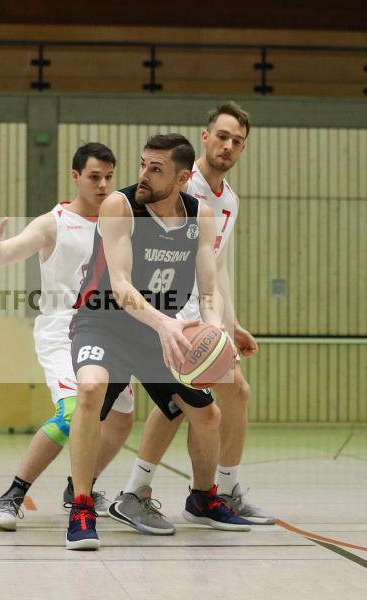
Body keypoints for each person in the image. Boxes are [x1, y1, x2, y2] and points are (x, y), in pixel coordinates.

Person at [65, 133, 255, 550]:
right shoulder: (120, 206)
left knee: (208, 416)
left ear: (183, 177)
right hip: (104, 324)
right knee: (92, 390)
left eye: (156, 168)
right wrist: (165, 325)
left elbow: (208, 289)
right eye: (142, 165)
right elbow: (120, 286)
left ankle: (203, 497)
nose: (144, 175)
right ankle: (80, 505)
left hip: (158, 330)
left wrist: (214, 328)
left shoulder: (200, 216)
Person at [110, 102, 276, 532]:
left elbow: (217, 264)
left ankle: (214, 489)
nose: (228, 145)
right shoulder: (182, 184)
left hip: (202, 310)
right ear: (205, 136)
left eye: (237, 141)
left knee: (217, 398)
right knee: (198, 399)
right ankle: (173, 492)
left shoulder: (229, 201)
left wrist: (230, 323)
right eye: (221, 136)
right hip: (167, 309)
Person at [0, 143, 136, 531]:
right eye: (94, 177)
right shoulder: (54, 223)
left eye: (109, 177)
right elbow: (5, 256)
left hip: (109, 332)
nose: (103, 185)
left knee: (121, 419)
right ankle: (12, 495)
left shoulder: (120, 219)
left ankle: (78, 485)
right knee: (71, 413)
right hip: (63, 331)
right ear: (75, 176)